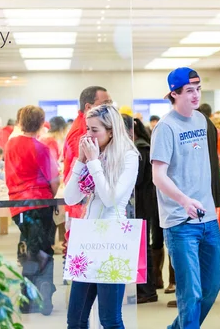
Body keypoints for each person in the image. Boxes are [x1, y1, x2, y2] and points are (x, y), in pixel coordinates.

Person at [151, 67, 220, 329]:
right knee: (190, 293)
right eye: (190, 91)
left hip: (208, 220)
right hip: (180, 222)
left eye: (198, 89)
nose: (196, 96)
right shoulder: (165, 128)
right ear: (174, 93)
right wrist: (184, 200)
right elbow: (158, 176)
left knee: (212, 287)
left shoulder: (202, 121)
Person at [64, 104, 139, 328]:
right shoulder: (94, 156)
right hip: (88, 240)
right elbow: (70, 198)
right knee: (75, 319)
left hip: (113, 240)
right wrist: (81, 161)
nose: (88, 135)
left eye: (94, 130)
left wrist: (94, 162)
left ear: (111, 131)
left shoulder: (128, 156)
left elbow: (111, 200)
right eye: (87, 128)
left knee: (110, 319)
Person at [5, 105, 60, 316]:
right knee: (44, 251)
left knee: (31, 251)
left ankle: (27, 300)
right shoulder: (42, 148)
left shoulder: (10, 146)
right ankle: (44, 296)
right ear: (40, 123)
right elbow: (54, 181)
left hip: (18, 207)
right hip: (40, 203)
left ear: (19, 122)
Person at [122, 115, 159, 304]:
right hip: (141, 204)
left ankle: (147, 289)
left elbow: (136, 180)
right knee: (141, 246)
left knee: (141, 247)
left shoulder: (140, 148)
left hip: (141, 205)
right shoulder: (139, 147)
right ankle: (145, 288)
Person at [63, 86, 112, 222]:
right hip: (83, 203)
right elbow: (82, 175)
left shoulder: (83, 127)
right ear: (88, 107)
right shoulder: (81, 132)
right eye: (104, 104)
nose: (109, 109)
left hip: (91, 205)